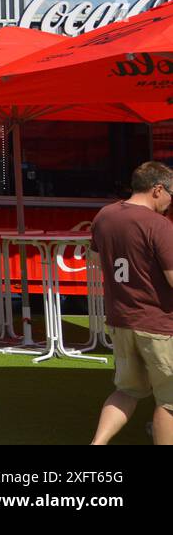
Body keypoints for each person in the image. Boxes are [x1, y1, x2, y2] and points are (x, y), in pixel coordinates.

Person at [89, 161, 173, 446]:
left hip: (120, 319)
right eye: (171, 194)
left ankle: (97, 445)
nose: (170, 202)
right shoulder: (158, 224)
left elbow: (95, 260)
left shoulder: (104, 215)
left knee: (126, 390)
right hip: (158, 323)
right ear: (157, 189)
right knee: (169, 401)